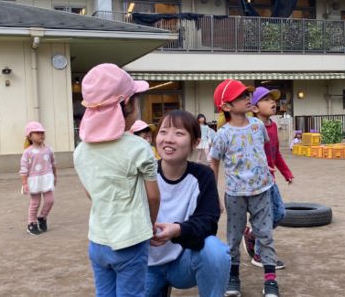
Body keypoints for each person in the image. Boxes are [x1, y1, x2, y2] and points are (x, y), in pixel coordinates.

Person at [73, 63, 160, 297]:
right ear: (127, 103)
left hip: (98, 240)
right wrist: (150, 225)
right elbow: (153, 196)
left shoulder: (80, 151)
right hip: (131, 241)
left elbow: (92, 193)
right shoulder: (139, 148)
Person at [145, 110, 231, 297]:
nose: (168, 139)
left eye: (179, 133)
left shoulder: (203, 175)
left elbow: (208, 223)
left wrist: (177, 230)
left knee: (214, 251)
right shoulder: (144, 174)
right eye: (163, 132)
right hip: (146, 265)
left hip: (182, 263)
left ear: (195, 143)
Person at [210, 79, 279, 297]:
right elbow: (214, 163)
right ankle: (233, 277)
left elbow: (263, 150)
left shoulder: (258, 125)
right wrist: (213, 195)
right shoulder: (222, 134)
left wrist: (269, 171)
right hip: (235, 195)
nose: (248, 98)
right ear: (227, 107)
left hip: (261, 190)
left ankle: (270, 280)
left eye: (247, 95)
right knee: (233, 237)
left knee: (265, 235)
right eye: (241, 96)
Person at [244, 86, 294, 270]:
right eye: (266, 99)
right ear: (255, 108)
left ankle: (253, 235)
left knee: (279, 214)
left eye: (272, 99)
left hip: (270, 179)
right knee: (266, 217)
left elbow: (276, 154)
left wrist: (286, 173)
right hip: (257, 182)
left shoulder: (273, 127)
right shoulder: (249, 128)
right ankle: (259, 254)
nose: (272, 102)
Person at [20, 121, 57, 235]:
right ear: (30, 136)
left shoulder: (49, 149)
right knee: (35, 203)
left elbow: (53, 163)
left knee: (50, 201)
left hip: (46, 178)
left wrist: (55, 176)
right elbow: (24, 169)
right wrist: (25, 183)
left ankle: (42, 217)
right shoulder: (27, 152)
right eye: (37, 133)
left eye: (42, 132)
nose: (41, 135)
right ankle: (31, 224)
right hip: (34, 181)